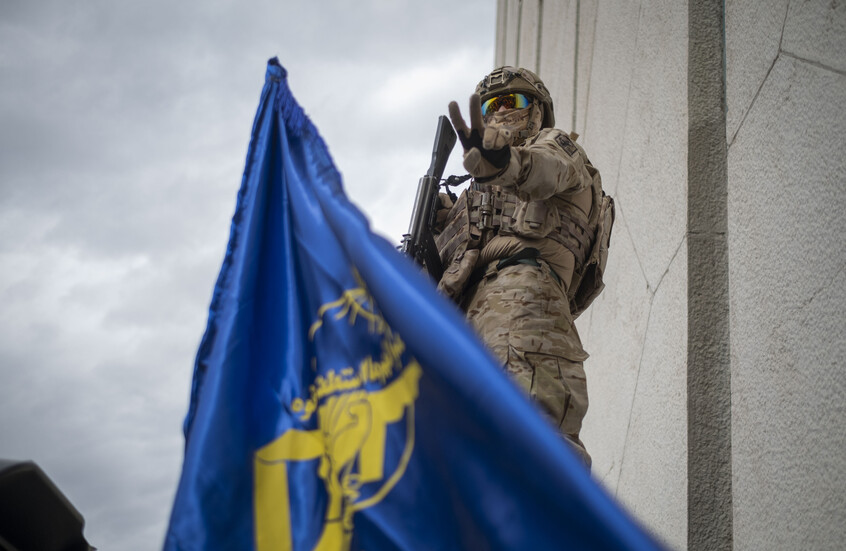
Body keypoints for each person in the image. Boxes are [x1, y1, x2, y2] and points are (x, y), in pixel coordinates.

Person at [434, 67, 614, 467]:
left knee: (533, 453)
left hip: (524, 307)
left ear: (537, 111)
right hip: (468, 327)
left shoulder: (557, 149)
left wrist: (504, 162)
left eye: (511, 101)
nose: (500, 111)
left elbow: (543, 168)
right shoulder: (473, 193)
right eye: (490, 106)